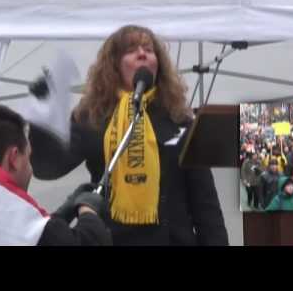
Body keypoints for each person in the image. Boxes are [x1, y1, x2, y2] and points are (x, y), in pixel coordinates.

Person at [28, 25, 228, 245]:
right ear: (114, 65)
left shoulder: (180, 119)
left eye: (149, 49)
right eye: (131, 50)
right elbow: (46, 167)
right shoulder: (94, 118)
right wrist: (42, 116)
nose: (142, 53)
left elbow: (206, 206)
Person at [0, 105, 112, 246]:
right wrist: (88, 211)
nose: (30, 169)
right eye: (28, 157)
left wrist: (61, 215)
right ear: (14, 158)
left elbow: (40, 238)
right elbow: (87, 242)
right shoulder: (2, 206)